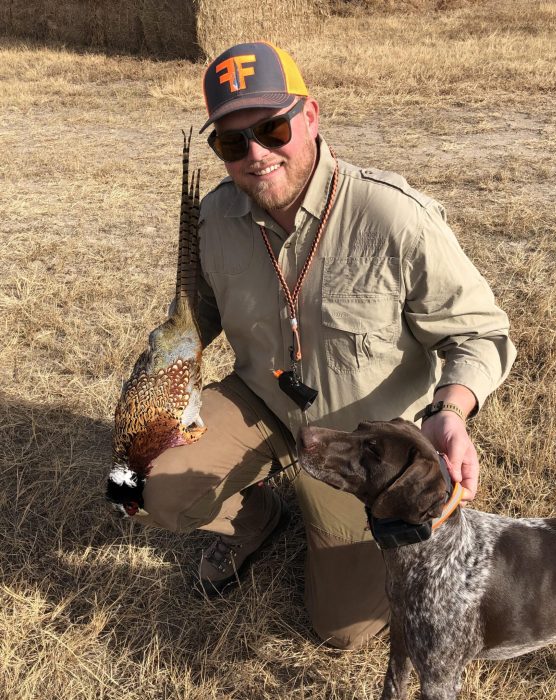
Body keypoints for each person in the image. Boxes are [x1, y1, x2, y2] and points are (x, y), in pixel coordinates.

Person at [134, 41, 516, 650]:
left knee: (345, 630)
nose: (256, 155)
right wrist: (157, 379)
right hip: (263, 399)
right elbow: (194, 319)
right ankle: (257, 516)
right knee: (138, 481)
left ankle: (328, 521)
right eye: (232, 143)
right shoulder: (215, 218)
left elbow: (479, 332)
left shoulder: (393, 217)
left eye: (273, 129)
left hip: (362, 439)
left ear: (311, 116)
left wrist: (451, 412)